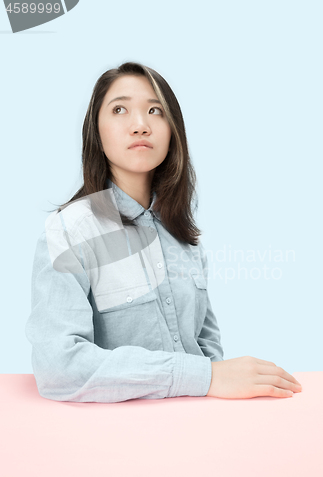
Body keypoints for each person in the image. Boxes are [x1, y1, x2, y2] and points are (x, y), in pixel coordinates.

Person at [25, 61, 302, 403]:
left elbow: (207, 346)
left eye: (155, 110)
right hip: (110, 440)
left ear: (172, 130)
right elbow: (58, 367)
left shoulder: (186, 237)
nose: (140, 125)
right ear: (96, 131)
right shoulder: (69, 232)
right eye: (120, 109)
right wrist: (203, 376)